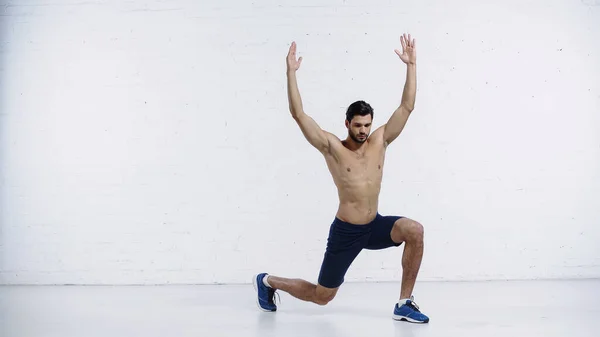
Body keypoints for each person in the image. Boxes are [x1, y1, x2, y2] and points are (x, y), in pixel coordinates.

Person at [252, 33, 428, 323]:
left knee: (415, 230)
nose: (363, 130)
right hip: (346, 232)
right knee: (323, 296)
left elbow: (406, 107)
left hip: (374, 226)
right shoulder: (333, 147)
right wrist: (290, 73)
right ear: (347, 123)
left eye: (367, 125)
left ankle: (403, 303)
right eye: (357, 125)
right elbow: (299, 114)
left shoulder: (380, 141)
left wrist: (411, 66)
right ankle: (268, 281)